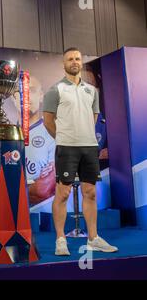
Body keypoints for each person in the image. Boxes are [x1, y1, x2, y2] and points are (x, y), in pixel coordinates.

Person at [43, 47, 118, 256]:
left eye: (77, 58)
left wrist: (84, 135)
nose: (74, 62)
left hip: (89, 147)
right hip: (66, 147)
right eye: (70, 59)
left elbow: (93, 117)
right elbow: (48, 121)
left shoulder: (91, 91)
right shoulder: (55, 90)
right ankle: (60, 240)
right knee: (63, 193)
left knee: (90, 192)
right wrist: (64, 138)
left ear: (80, 62)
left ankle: (93, 238)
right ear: (64, 63)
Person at [13, 76, 56, 206]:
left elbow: (41, 192)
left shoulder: (52, 132)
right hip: (11, 217)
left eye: (31, 90)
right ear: (13, 98)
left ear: (41, 95)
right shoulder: (5, 136)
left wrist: (9, 192)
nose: (25, 96)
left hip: (40, 215)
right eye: (20, 91)